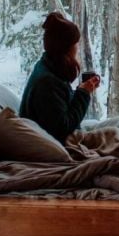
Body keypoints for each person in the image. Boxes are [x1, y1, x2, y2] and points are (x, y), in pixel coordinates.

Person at [19, 12, 100, 143]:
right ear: (67, 48)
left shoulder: (47, 67)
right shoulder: (47, 83)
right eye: (76, 44)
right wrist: (83, 94)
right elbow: (63, 127)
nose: (77, 48)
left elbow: (57, 107)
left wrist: (81, 90)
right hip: (52, 144)